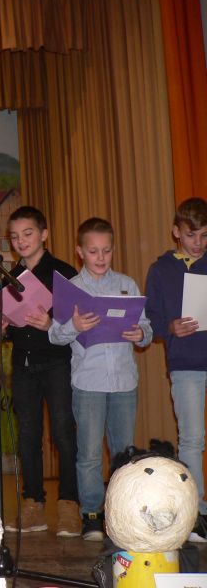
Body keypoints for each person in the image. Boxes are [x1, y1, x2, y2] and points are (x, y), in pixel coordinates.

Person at [49, 217, 152, 541]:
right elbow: (55, 335)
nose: (101, 257)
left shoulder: (126, 284)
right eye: (93, 251)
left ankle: (121, 513)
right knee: (90, 453)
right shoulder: (71, 290)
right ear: (80, 252)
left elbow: (145, 328)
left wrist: (141, 334)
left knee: (124, 453)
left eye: (106, 250)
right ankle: (92, 514)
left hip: (124, 382)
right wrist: (75, 327)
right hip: (88, 383)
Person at [2, 206, 80, 537]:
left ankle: (69, 504)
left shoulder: (64, 273)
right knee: (28, 434)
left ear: (44, 234)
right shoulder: (8, 277)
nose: (21, 241)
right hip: (23, 363)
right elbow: (9, 326)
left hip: (57, 362)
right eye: (14, 236)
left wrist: (52, 324)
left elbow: (78, 323)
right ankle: (33, 503)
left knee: (63, 432)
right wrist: (3, 324)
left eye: (28, 233)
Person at [145, 197, 207, 542]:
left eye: (204, 235)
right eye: (191, 235)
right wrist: (170, 326)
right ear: (176, 232)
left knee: (194, 439)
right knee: (193, 439)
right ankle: (195, 513)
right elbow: (151, 320)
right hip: (185, 364)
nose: (198, 242)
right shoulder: (161, 270)